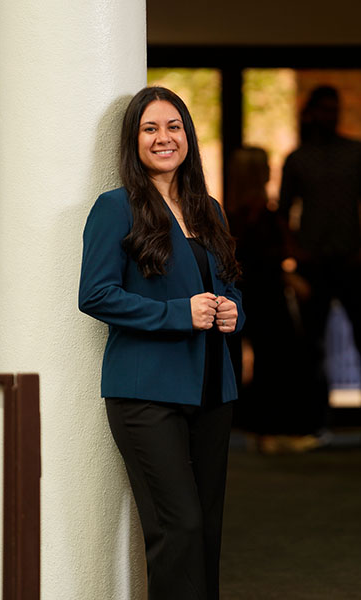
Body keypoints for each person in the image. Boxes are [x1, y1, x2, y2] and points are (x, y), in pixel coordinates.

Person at [78, 86, 244, 599]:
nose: (164, 138)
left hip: (212, 389)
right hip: (146, 393)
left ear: (188, 137)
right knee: (180, 529)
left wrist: (233, 311)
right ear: (134, 141)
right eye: (150, 128)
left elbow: (230, 283)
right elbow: (96, 295)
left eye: (173, 127)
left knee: (208, 532)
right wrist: (179, 313)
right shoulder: (116, 207)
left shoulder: (208, 209)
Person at [278, 85, 361, 446]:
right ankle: (311, 423)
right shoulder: (298, 158)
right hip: (314, 262)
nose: (331, 116)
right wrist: (295, 251)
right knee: (310, 347)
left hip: (351, 260)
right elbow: (283, 212)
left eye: (335, 109)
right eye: (325, 110)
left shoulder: (356, 152)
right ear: (312, 113)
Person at [224, 146, 320, 452]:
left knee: (265, 362)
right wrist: (287, 275)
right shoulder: (257, 215)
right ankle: (273, 429)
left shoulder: (233, 214)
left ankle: (262, 429)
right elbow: (262, 259)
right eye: (266, 166)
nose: (271, 171)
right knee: (276, 362)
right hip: (265, 296)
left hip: (249, 295)